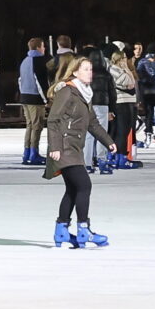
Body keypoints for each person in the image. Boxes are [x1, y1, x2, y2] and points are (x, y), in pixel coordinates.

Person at [42, 54, 106, 248]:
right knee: (84, 185)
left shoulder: (84, 93)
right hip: (63, 147)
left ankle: (61, 231)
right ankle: (83, 230)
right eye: (86, 69)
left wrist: (109, 142)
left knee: (73, 188)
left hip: (74, 148)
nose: (90, 72)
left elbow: (93, 123)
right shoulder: (68, 92)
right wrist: (55, 147)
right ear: (75, 72)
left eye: (91, 69)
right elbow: (53, 120)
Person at [16, 38, 51, 168]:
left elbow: (20, 80)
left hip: (25, 97)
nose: (44, 49)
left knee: (30, 125)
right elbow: (40, 81)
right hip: (35, 98)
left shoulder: (24, 61)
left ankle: (27, 152)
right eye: (43, 46)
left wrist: (22, 95)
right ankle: (34, 153)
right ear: (38, 47)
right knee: (37, 125)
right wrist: (46, 99)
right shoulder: (39, 61)